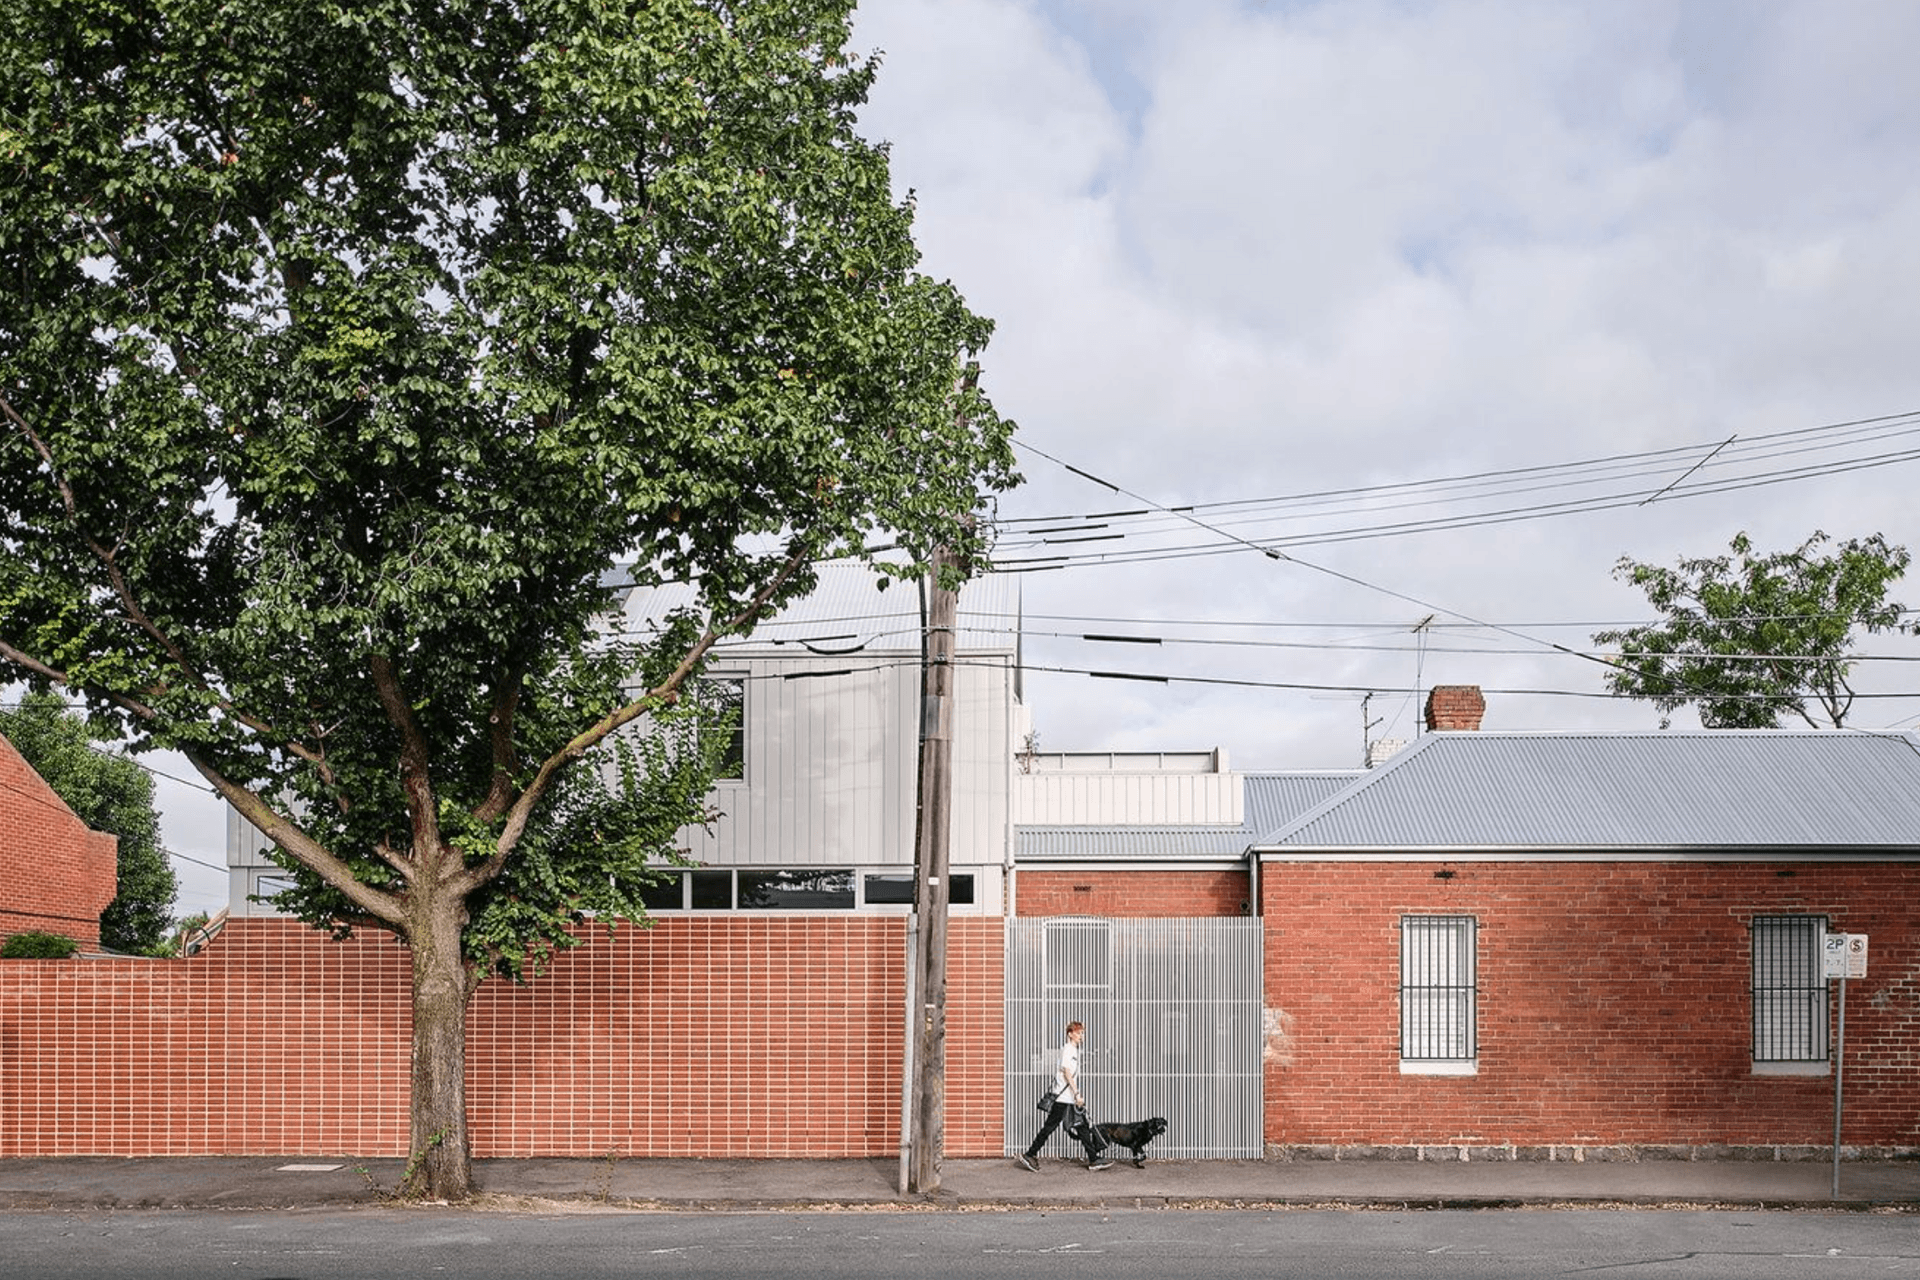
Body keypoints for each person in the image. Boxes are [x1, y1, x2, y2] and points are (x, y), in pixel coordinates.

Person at [1017, 1020, 1111, 1171]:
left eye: (1082, 1033)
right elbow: (1067, 1072)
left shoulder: (1074, 1050)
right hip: (1063, 1098)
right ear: (1070, 1034)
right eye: (1079, 1033)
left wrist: (1075, 1096)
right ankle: (1030, 1154)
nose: (1082, 1036)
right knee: (1050, 1127)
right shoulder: (1068, 1049)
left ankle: (1093, 1159)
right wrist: (1077, 1093)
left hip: (1069, 1098)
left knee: (1082, 1127)